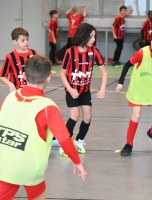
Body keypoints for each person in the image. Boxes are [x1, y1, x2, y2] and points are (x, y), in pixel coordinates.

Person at [0, 55, 87, 200]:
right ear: (48, 78)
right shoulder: (48, 107)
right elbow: (64, 138)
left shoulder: (10, 97)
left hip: (4, 165)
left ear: (24, 75)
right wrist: (77, 161)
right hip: (30, 169)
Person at [59, 23, 108, 156]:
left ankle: (79, 141)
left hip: (85, 91)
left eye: (94, 36)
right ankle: (65, 144)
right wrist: (69, 89)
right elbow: (62, 73)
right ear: (84, 36)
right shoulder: (70, 52)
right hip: (72, 91)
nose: (93, 39)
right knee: (75, 115)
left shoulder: (94, 52)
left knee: (88, 116)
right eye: (91, 36)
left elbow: (104, 72)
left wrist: (102, 89)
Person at [0, 27, 55, 92]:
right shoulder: (10, 57)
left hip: (32, 90)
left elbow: (39, 68)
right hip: (17, 91)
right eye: (23, 40)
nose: (26, 42)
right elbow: (2, 76)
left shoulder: (34, 53)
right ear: (15, 42)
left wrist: (48, 72)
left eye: (27, 39)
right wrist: (10, 84)